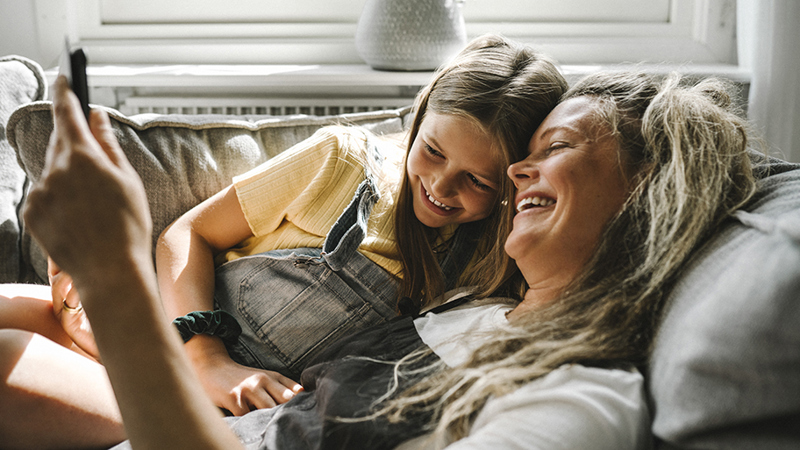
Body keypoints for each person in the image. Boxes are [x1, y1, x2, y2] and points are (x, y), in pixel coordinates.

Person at [0, 63, 758, 449]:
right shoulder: (483, 303)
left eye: (548, 153)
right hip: (197, 378)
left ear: (646, 196)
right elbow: (191, 239)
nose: (522, 173)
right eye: (526, 158)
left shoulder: (579, 397)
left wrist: (114, 278)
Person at [0, 34, 568, 418]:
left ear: (516, 183)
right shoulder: (342, 162)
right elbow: (187, 234)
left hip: (163, 392)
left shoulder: (493, 262)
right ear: (418, 121)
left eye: (478, 182)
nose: (443, 188)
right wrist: (206, 358)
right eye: (435, 152)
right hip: (163, 325)